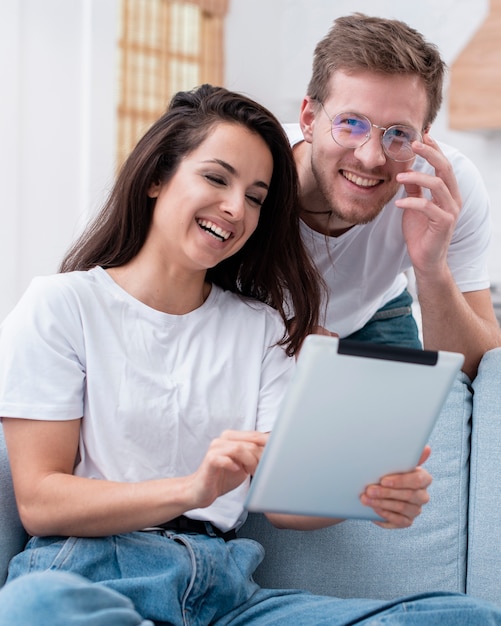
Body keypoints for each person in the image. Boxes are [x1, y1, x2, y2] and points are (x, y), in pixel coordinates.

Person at [0, 84, 499, 625]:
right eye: (216, 178)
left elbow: (283, 501)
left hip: (225, 595)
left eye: (256, 197)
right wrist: (192, 489)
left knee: (462, 617)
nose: (235, 207)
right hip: (92, 576)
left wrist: (366, 493)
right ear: (154, 178)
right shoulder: (61, 305)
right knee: (34, 607)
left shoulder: (264, 329)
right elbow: (40, 499)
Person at [288, 13, 501, 380]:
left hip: (377, 313)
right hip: (267, 323)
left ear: (426, 135)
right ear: (309, 118)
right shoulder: (251, 174)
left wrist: (431, 270)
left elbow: (482, 368)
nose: (371, 157)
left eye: (399, 133)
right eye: (350, 123)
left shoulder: (448, 187)